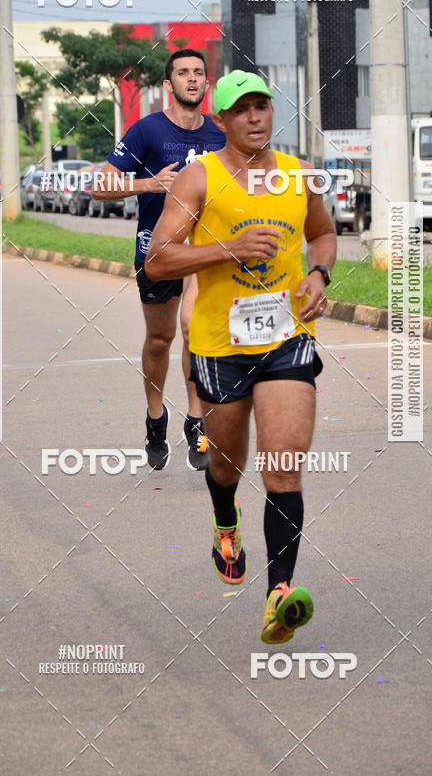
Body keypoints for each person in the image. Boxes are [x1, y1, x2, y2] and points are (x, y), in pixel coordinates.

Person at [145, 70, 337, 643]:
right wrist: (225, 248)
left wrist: (320, 274)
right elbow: (157, 261)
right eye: (242, 110)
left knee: (283, 465)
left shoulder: (298, 176)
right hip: (220, 346)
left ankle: (279, 595)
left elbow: (323, 234)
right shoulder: (198, 180)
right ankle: (224, 520)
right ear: (222, 121)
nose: (255, 117)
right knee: (226, 467)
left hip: (287, 339)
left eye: (263, 107)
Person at [93, 48, 226, 471]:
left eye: (199, 73)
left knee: (196, 332)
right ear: (168, 85)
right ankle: (156, 419)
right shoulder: (146, 131)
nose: (192, 79)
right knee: (160, 340)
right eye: (183, 73)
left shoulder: (221, 135)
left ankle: (195, 419)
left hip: (205, 251)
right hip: (158, 249)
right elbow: (99, 186)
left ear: (207, 82)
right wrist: (150, 184)